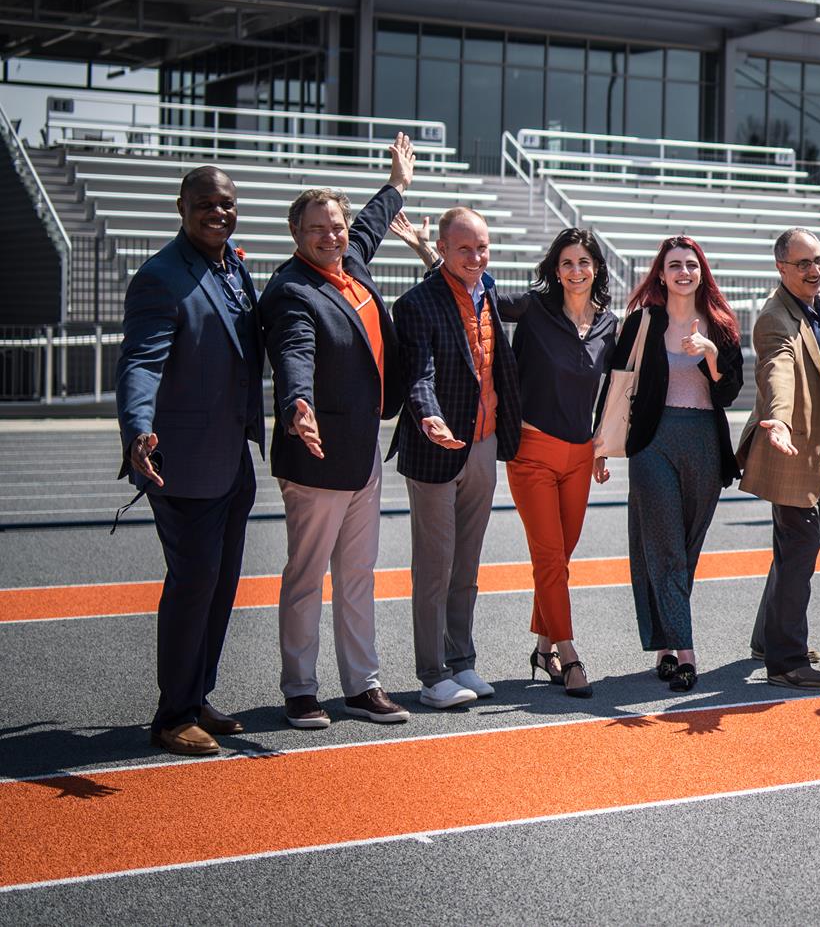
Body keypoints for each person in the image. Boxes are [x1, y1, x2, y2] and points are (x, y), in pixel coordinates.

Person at [394, 222, 617, 699]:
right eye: (566, 263)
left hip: (580, 454)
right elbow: (469, 290)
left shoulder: (608, 324)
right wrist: (424, 251)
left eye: (583, 262)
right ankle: (569, 653)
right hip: (532, 450)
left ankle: (542, 647)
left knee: (561, 558)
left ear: (596, 268)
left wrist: (604, 442)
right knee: (550, 559)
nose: (575, 270)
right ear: (555, 271)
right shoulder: (532, 307)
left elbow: (611, 392)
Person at [261, 135, 417, 731]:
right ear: (296, 235)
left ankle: (362, 685)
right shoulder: (292, 291)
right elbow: (293, 350)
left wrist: (397, 183)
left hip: (363, 453)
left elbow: (372, 224)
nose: (333, 236)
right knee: (306, 578)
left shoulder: (350, 262)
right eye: (318, 229)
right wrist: (297, 402)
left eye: (338, 226)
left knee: (357, 574)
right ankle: (300, 690)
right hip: (316, 456)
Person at [115, 165, 265, 755]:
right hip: (183, 463)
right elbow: (140, 363)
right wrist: (138, 428)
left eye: (226, 204)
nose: (217, 212)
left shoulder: (233, 267)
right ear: (181, 207)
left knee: (221, 584)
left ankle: (197, 692)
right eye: (204, 203)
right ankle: (173, 715)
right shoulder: (160, 277)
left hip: (232, 460)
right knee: (192, 584)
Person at [392, 206, 523, 709]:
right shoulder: (417, 305)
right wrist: (428, 416)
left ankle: (462, 660)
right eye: (464, 248)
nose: (475, 256)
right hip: (436, 449)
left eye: (482, 247)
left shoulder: (486, 289)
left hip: (484, 447)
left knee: (466, 565)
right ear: (443, 249)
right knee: (434, 566)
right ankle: (432, 675)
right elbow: (418, 374)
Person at [602, 235, 743, 692]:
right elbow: (616, 385)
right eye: (674, 265)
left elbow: (728, 394)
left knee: (683, 551)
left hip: (703, 440)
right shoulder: (641, 322)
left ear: (702, 272)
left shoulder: (721, 325)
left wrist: (711, 355)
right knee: (663, 547)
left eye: (691, 264)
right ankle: (685, 653)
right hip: (652, 441)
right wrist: (600, 446)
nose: (684, 272)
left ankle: (664, 645)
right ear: (661, 274)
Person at [737, 227, 820, 691]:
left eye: (819, 260)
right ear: (781, 268)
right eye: (804, 263)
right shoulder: (775, 316)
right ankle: (787, 661)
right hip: (796, 451)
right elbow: (778, 368)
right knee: (798, 556)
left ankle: (768, 641)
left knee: (790, 552)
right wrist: (780, 419)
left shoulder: (817, 305)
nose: (815, 269)